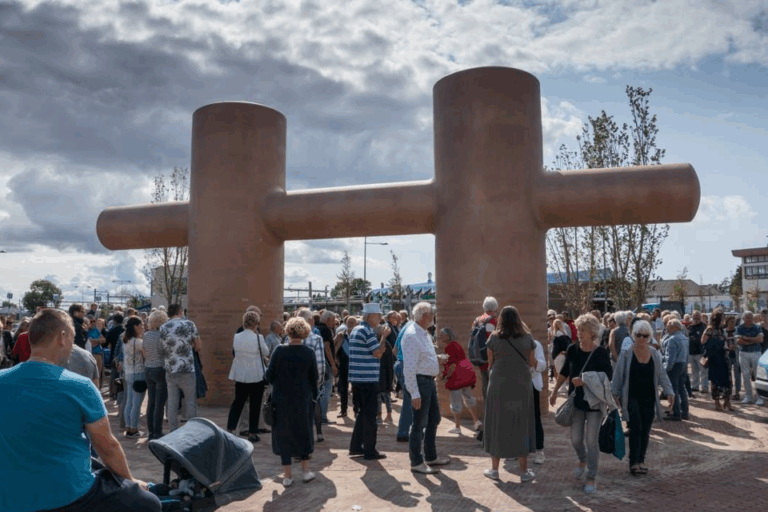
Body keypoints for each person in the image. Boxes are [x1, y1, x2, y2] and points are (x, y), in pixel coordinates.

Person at [0, 308, 161, 512]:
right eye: (73, 339)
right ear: (62, 337)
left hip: (9, 499)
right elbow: (108, 447)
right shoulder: (80, 386)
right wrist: (131, 481)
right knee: (150, 503)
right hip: (68, 495)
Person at [550, 314, 613, 495]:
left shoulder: (600, 352)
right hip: (576, 402)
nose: (579, 333)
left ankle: (591, 477)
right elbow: (564, 371)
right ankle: (582, 459)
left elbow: (608, 376)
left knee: (591, 440)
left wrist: (585, 380)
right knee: (576, 439)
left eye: (583, 331)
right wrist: (555, 391)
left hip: (594, 403)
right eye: (578, 330)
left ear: (592, 332)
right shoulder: (572, 349)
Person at [612, 320, 674, 476]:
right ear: (634, 335)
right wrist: (614, 393)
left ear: (649, 337)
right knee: (636, 427)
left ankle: (641, 460)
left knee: (646, 429)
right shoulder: (626, 353)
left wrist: (670, 391)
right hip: (631, 396)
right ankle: (633, 462)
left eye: (645, 335)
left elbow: (662, 375)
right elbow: (618, 375)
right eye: (638, 335)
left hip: (649, 397)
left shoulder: (654, 354)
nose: (641, 338)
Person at [482, 306, 536, 482]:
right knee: (522, 423)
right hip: (521, 383)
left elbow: (490, 363)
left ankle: (495, 470)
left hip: (499, 383)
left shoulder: (494, 338)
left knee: (497, 422)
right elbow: (532, 362)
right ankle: (524, 472)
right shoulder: (528, 338)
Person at [266, 317, 319, 486]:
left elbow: (268, 376)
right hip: (302, 399)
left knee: (283, 434)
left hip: (281, 399)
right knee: (303, 432)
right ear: (304, 332)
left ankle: (287, 475)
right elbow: (315, 378)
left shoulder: (279, 351)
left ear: (288, 331)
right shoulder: (309, 352)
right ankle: (305, 470)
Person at [402, 302, 451, 474]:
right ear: (424, 316)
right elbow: (409, 367)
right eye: (431, 313)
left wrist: (436, 358)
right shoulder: (412, 335)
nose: (433, 316)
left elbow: (421, 358)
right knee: (419, 423)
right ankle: (416, 461)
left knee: (433, 419)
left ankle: (430, 456)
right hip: (420, 382)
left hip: (427, 382)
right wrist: (414, 392)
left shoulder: (423, 333)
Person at [348, 303, 388, 461]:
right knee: (370, 415)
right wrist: (384, 337)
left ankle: (356, 446)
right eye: (378, 315)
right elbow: (378, 353)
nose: (380, 318)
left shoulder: (357, 329)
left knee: (362, 413)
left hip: (358, 378)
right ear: (371, 316)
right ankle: (369, 450)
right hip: (367, 379)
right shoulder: (367, 331)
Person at [227, 311, 270, 442]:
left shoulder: (237, 336)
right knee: (255, 404)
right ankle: (252, 432)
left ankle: (230, 428)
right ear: (256, 324)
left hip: (240, 374)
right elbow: (266, 352)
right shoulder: (258, 337)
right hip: (256, 374)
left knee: (238, 402)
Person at [160, 304, 201, 432]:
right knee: (190, 402)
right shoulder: (189, 324)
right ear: (180, 312)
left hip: (170, 368)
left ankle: (173, 430)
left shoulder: (163, 327)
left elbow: (162, 348)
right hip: (187, 368)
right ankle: (191, 431)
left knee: (172, 402)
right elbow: (198, 345)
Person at [438, 327, 480, 434]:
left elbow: (452, 364)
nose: (440, 337)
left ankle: (457, 426)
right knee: (469, 398)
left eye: (442, 335)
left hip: (457, 377)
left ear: (447, 336)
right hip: (466, 373)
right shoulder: (456, 344)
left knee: (456, 402)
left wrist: (445, 376)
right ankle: (476, 421)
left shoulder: (450, 346)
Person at [296, 308, 327, 442]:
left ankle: (299, 436)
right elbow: (320, 362)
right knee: (315, 405)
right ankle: (318, 433)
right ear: (309, 321)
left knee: (298, 410)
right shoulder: (316, 339)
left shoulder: (288, 338)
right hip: (310, 379)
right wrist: (319, 381)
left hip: (294, 381)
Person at [701, 310, 733, 411]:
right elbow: (703, 341)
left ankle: (727, 401)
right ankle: (717, 402)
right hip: (715, 358)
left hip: (724, 357)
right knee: (715, 381)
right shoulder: (710, 329)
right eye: (722, 318)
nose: (724, 320)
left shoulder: (722, 330)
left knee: (728, 380)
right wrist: (714, 343)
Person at [143, 310, 168, 440]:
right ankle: (158, 431)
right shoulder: (162, 335)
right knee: (160, 403)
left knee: (151, 402)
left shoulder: (146, 335)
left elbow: (145, 351)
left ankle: (151, 431)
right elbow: (163, 351)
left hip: (148, 368)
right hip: (160, 368)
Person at [123, 316, 147, 438]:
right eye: (141, 325)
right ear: (135, 327)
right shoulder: (138, 342)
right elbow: (146, 356)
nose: (143, 327)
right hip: (139, 372)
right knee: (136, 403)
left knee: (129, 401)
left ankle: (128, 426)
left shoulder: (126, 340)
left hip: (128, 372)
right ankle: (133, 429)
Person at [471, 296, 499, 401]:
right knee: (496, 387)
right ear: (496, 307)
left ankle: (487, 412)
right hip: (495, 358)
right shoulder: (496, 320)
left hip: (480, 357)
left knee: (485, 384)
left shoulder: (477, 320)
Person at [663, 319, 690, 421]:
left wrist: (666, 369)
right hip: (683, 364)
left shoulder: (672, 339)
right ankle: (685, 411)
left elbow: (670, 358)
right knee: (682, 388)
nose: (667, 327)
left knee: (673, 389)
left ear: (676, 327)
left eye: (669, 326)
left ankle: (676, 413)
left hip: (675, 366)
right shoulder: (684, 338)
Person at [736, 311, 764, 405]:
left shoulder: (757, 327)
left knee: (758, 375)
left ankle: (760, 397)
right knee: (745, 375)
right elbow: (738, 340)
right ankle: (748, 396)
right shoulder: (739, 327)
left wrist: (746, 339)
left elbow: (760, 339)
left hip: (756, 352)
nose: (750, 319)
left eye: (751, 317)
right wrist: (753, 340)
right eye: (748, 317)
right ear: (743, 318)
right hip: (743, 353)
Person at [393, 316, 414, 442]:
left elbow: (395, 350)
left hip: (400, 364)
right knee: (412, 400)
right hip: (407, 365)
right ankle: (407, 431)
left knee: (408, 400)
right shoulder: (414, 330)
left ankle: (404, 431)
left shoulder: (404, 329)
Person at [377, 311, 400, 425]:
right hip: (386, 373)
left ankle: (380, 416)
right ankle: (388, 416)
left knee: (379, 396)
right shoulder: (388, 344)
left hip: (380, 373)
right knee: (386, 395)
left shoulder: (380, 344)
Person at [316, 310, 338, 425]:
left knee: (319, 391)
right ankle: (323, 416)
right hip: (326, 364)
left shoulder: (316, 328)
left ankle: (317, 415)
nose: (334, 323)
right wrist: (333, 364)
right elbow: (327, 347)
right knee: (325, 390)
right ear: (328, 319)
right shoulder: (325, 330)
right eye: (333, 320)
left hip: (317, 363)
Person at [334, 315, 357, 418]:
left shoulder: (358, 335)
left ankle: (356, 410)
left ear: (356, 324)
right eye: (349, 321)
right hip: (343, 365)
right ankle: (343, 410)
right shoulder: (341, 335)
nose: (350, 323)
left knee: (356, 389)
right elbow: (332, 347)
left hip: (356, 365)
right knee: (343, 389)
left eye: (353, 322)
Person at [530, 335, 547, 465]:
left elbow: (543, 365)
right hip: (516, 384)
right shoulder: (511, 345)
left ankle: (539, 450)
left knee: (535, 417)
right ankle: (515, 450)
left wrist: (533, 360)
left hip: (532, 384)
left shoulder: (535, 344)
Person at [687, 311, 708, 393]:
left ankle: (704, 387)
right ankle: (695, 386)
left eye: (697, 316)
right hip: (691, 352)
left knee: (703, 370)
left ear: (700, 317)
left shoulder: (704, 326)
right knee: (694, 371)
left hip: (701, 353)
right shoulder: (690, 327)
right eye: (694, 317)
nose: (696, 318)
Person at [724, 315, 741, 401]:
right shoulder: (723, 332)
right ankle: (728, 391)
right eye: (731, 322)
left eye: (734, 322)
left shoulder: (738, 331)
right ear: (727, 322)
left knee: (737, 374)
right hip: (727, 355)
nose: (733, 324)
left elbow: (740, 341)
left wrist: (735, 345)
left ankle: (737, 392)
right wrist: (727, 347)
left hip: (736, 354)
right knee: (728, 374)